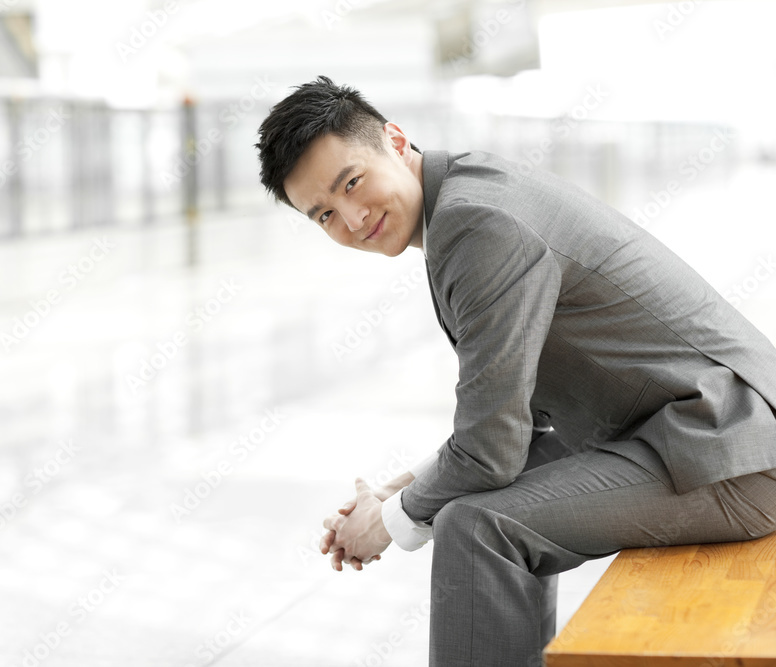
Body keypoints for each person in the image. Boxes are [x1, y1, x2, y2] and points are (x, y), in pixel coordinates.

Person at [254, 75, 776, 666]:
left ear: (395, 141)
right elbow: (516, 416)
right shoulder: (464, 193)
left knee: (478, 526)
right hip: (697, 431)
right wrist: (400, 488)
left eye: (352, 182)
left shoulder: (476, 224)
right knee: (472, 512)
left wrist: (390, 522)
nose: (351, 217)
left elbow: (490, 449)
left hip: (733, 449)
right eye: (323, 214)